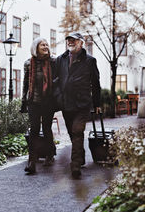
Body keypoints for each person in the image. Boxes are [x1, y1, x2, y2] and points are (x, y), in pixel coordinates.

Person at [54, 32, 101, 179]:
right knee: (72, 133)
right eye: (69, 40)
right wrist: (58, 96)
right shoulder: (60, 59)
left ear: (81, 43)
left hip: (82, 104)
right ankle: (80, 155)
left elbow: (96, 84)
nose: (70, 42)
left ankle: (75, 166)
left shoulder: (89, 61)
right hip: (66, 103)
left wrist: (97, 103)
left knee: (77, 131)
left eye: (74, 40)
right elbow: (56, 80)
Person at [20, 37, 56, 174]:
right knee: (34, 129)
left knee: (47, 128)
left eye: (47, 44)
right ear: (36, 47)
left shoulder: (53, 61)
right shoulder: (28, 63)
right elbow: (25, 83)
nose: (46, 46)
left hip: (48, 101)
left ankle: (49, 154)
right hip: (33, 102)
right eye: (42, 45)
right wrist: (24, 101)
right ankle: (32, 161)